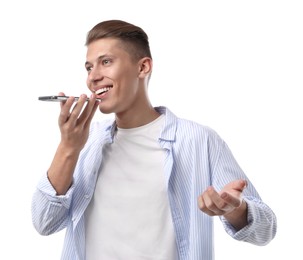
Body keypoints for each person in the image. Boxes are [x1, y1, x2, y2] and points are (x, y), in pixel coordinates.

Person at [31, 19, 277, 260]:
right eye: (88, 67)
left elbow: (266, 231)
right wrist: (68, 147)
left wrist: (236, 209)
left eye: (105, 62)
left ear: (143, 68)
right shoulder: (86, 140)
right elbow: (44, 223)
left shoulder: (198, 140)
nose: (92, 77)